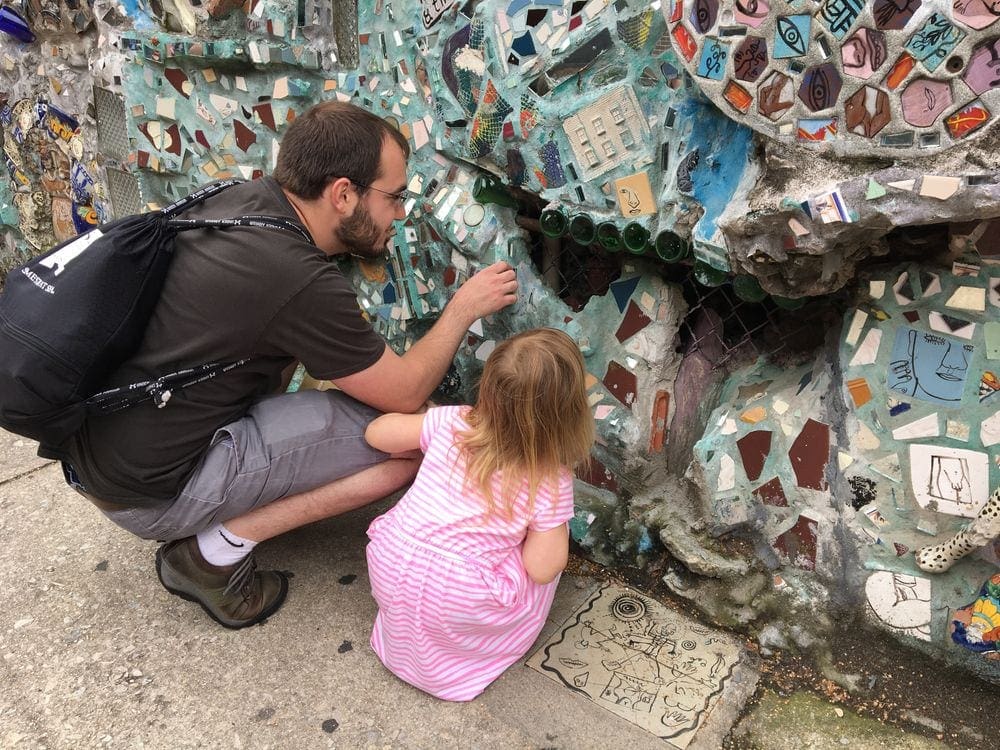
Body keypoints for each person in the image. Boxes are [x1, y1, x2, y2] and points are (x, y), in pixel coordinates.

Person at [59, 101, 518, 629]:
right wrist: (463, 307)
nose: (402, 214)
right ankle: (210, 555)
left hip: (100, 457)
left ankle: (233, 504)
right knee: (415, 440)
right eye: (394, 197)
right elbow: (407, 393)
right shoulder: (295, 278)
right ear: (344, 195)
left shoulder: (237, 202)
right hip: (150, 495)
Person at [363, 328, 594, 701]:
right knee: (542, 565)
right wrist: (555, 528)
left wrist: (425, 435)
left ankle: (413, 639)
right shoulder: (550, 477)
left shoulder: (454, 422)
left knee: (429, 584)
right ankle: (459, 662)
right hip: (460, 596)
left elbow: (378, 434)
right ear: (569, 412)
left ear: (487, 386)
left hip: (391, 560)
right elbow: (543, 567)